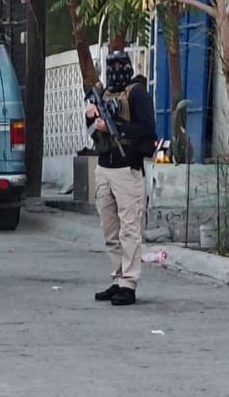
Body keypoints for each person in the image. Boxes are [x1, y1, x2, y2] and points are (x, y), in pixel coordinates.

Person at [86, 50, 156, 307]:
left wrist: (117, 127)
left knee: (129, 229)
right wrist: (91, 116)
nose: (116, 68)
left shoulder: (137, 93)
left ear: (128, 66)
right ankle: (117, 278)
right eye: (111, 64)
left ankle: (129, 283)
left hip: (127, 169)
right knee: (109, 228)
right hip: (104, 167)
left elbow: (148, 129)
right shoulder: (103, 94)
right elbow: (92, 132)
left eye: (120, 64)